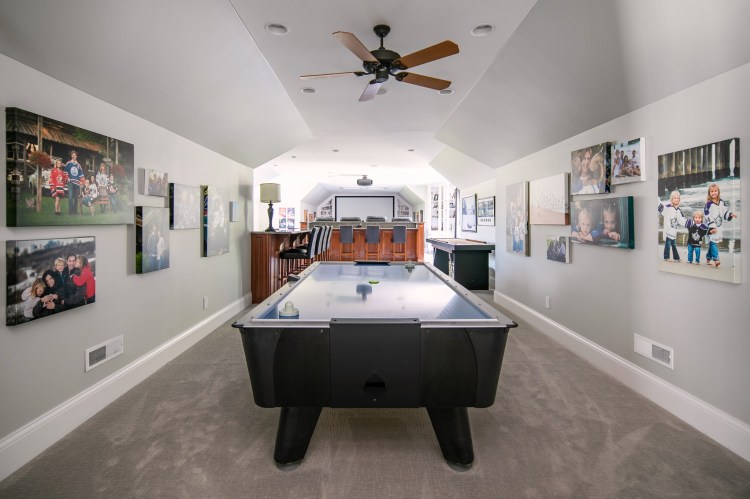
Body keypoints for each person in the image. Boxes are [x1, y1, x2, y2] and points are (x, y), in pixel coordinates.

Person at [703, 183, 739, 268]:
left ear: (718, 192)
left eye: (715, 191)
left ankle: (708, 257)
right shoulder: (708, 205)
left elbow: (724, 211)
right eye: (712, 191)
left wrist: (730, 214)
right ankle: (716, 259)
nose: (714, 193)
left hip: (719, 227)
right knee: (714, 243)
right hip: (711, 227)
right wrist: (712, 227)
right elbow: (707, 216)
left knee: (713, 242)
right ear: (709, 193)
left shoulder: (721, 202)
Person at [658, 190, 686, 262]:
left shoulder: (679, 210)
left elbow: (682, 220)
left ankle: (676, 258)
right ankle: (667, 257)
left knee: (673, 244)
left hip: (673, 231)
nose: (676, 199)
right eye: (674, 198)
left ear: (679, 199)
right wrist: (657, 200)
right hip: (668, 230)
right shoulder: (668, 207)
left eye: (677, 198)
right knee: (668, 244)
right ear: (671, 199)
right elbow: (661, 208)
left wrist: (690, 224)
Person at [64, 150, 84, 215]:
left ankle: (75, 212)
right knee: (70, 197)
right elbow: (65, 172)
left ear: (76, 156)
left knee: (76, 198)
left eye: (75, 155)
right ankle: (70, 212)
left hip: (77, 183)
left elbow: (81, 174)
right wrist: (67, 178)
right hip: (71, 182)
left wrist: (82, 181)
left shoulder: (78, 165)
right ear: (71, 156)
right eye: (72, 155)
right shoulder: (68, 163)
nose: (74, 156)